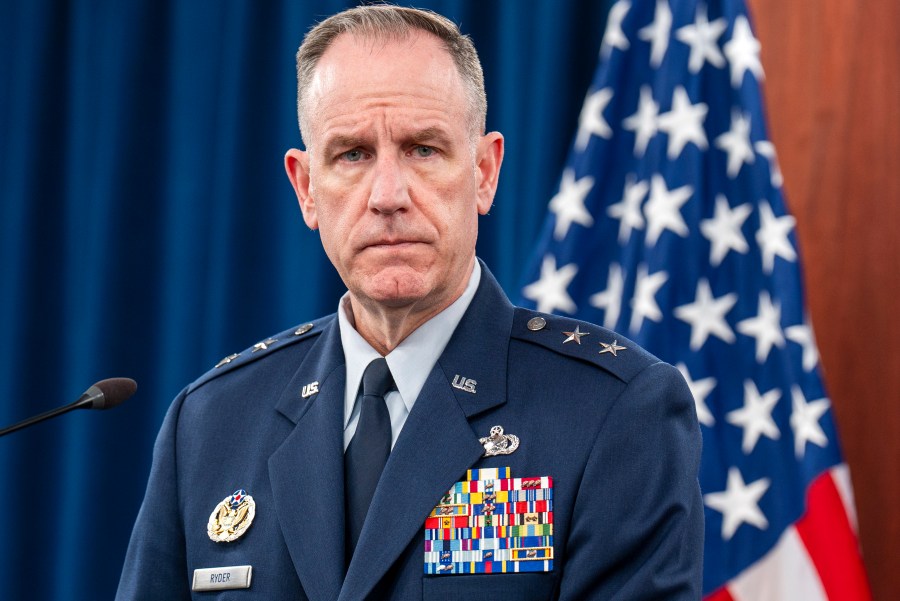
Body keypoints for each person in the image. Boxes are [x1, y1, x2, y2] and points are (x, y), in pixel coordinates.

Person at [116, 5, 703, 600]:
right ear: (306, 188)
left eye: (423, 149)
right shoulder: (211, 424)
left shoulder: (614, 411)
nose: (388, 196)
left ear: (484, 171)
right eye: (352, 155)